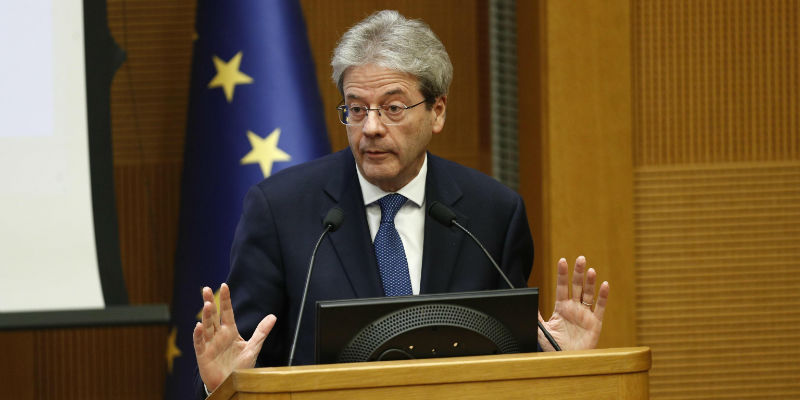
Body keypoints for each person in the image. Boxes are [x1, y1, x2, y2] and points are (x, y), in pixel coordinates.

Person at [192, 10, 610, 396]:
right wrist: (221, 387)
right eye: (356, 109)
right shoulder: (281, 211)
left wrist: (564, 365)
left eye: (392, 108)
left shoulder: (492, 215)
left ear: (437, 111)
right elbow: (243, 358)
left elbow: (507, 364)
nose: (370, 128)